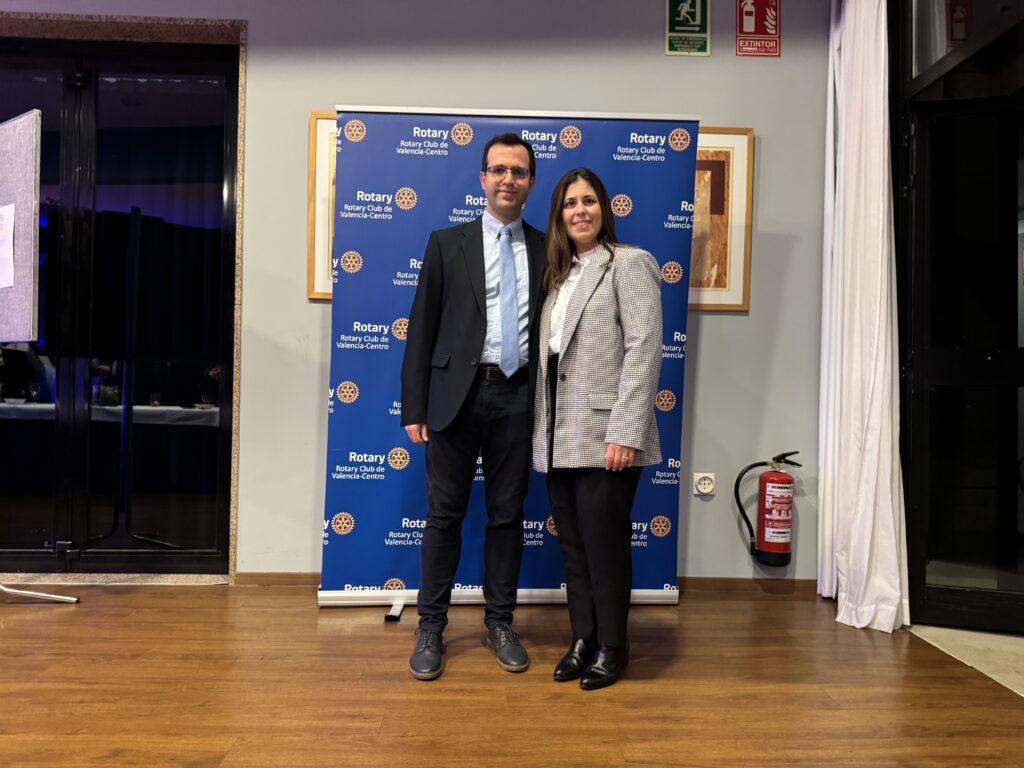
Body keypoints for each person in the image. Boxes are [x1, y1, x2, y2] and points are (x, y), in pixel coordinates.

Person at [400, 133, 546, 681]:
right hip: (453, 399)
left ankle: (500, 623)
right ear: (483, 178)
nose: (508, 179)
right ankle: (431, 627)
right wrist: (414, 405)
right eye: (499, 170)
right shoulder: (446, 243)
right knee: (444, 516)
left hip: (518, 396)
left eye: (519, 171)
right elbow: (421, 328)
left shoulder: (547, 247)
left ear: (530, 182)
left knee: (507, 517)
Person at [532, 168, 662, 690]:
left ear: (604, 209)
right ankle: (583, 639)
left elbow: (644, 347)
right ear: (559, 215)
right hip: (559, 435)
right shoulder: (558, 276)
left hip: (609, 435)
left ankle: (613, 646)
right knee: (574, 547)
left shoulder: (629, 263)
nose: (579, 211)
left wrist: (625, 432)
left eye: (588, 201)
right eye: (570, 203)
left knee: (604, 547)